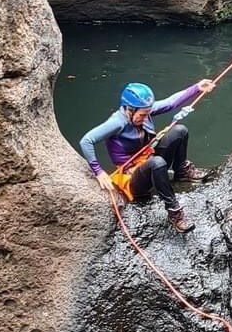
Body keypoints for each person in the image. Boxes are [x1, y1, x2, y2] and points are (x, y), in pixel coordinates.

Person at [80, 79, 216, 233]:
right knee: (156, 162)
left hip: (148, 159)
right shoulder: (117, 122)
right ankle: (174, 212)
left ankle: (182, 171)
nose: (146, 118)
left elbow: (170, 103)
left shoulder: (144, 111)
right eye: (142, 115)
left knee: (180, 130)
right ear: (129, 110)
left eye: (147, 114)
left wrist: (197, 88)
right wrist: (98, 171)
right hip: (134, 178)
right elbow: (87, 140)